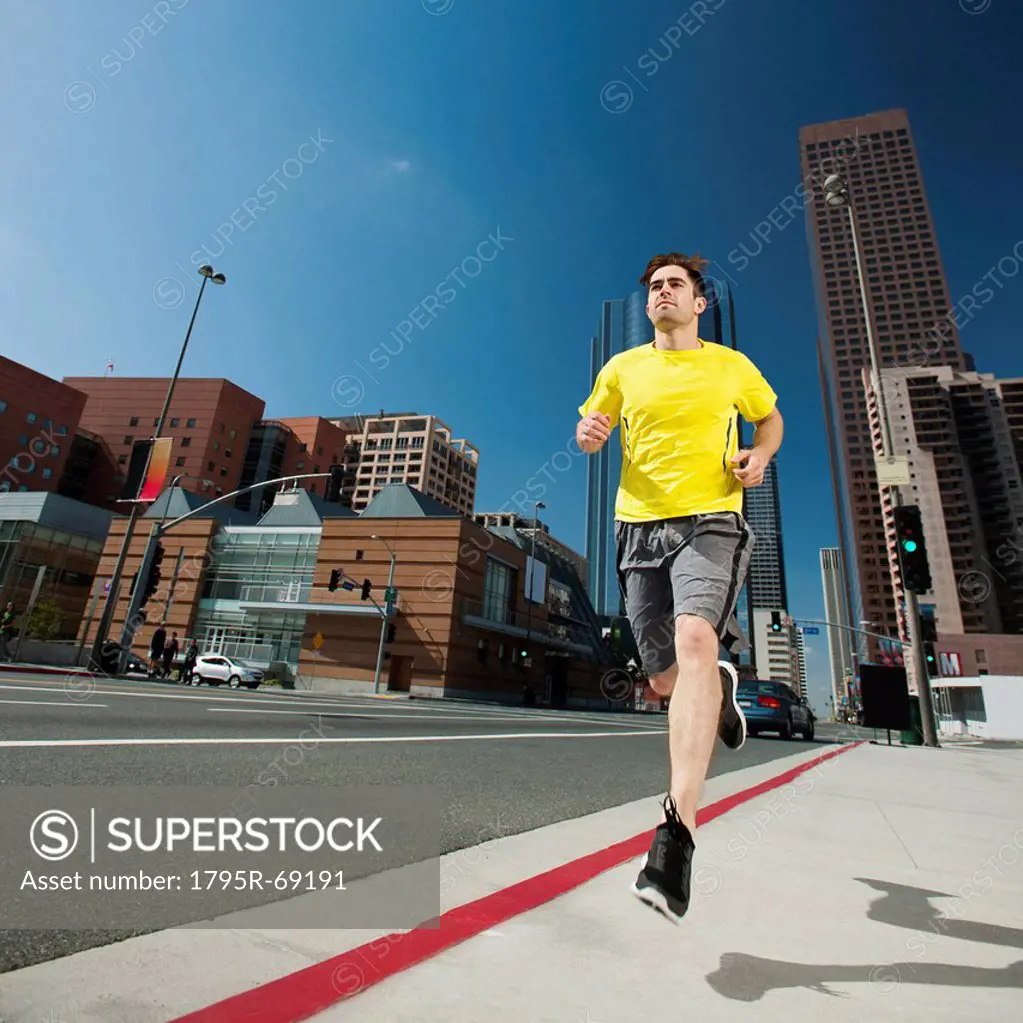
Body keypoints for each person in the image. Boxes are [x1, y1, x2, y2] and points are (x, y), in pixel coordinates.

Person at [576, 251, 783, 923]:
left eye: (676, 284)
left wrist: (760, 454)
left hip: (710, 519)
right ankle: (713, 693)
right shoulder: (620, 368)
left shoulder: (729, 365)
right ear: (648, 305)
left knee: (695, 637)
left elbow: (769, 418)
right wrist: (587, 433)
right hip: (637, 527)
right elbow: (590, 431)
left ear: (698, 302)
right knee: (663, 680)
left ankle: (675, 834)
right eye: (655, 286)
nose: (663, 292)